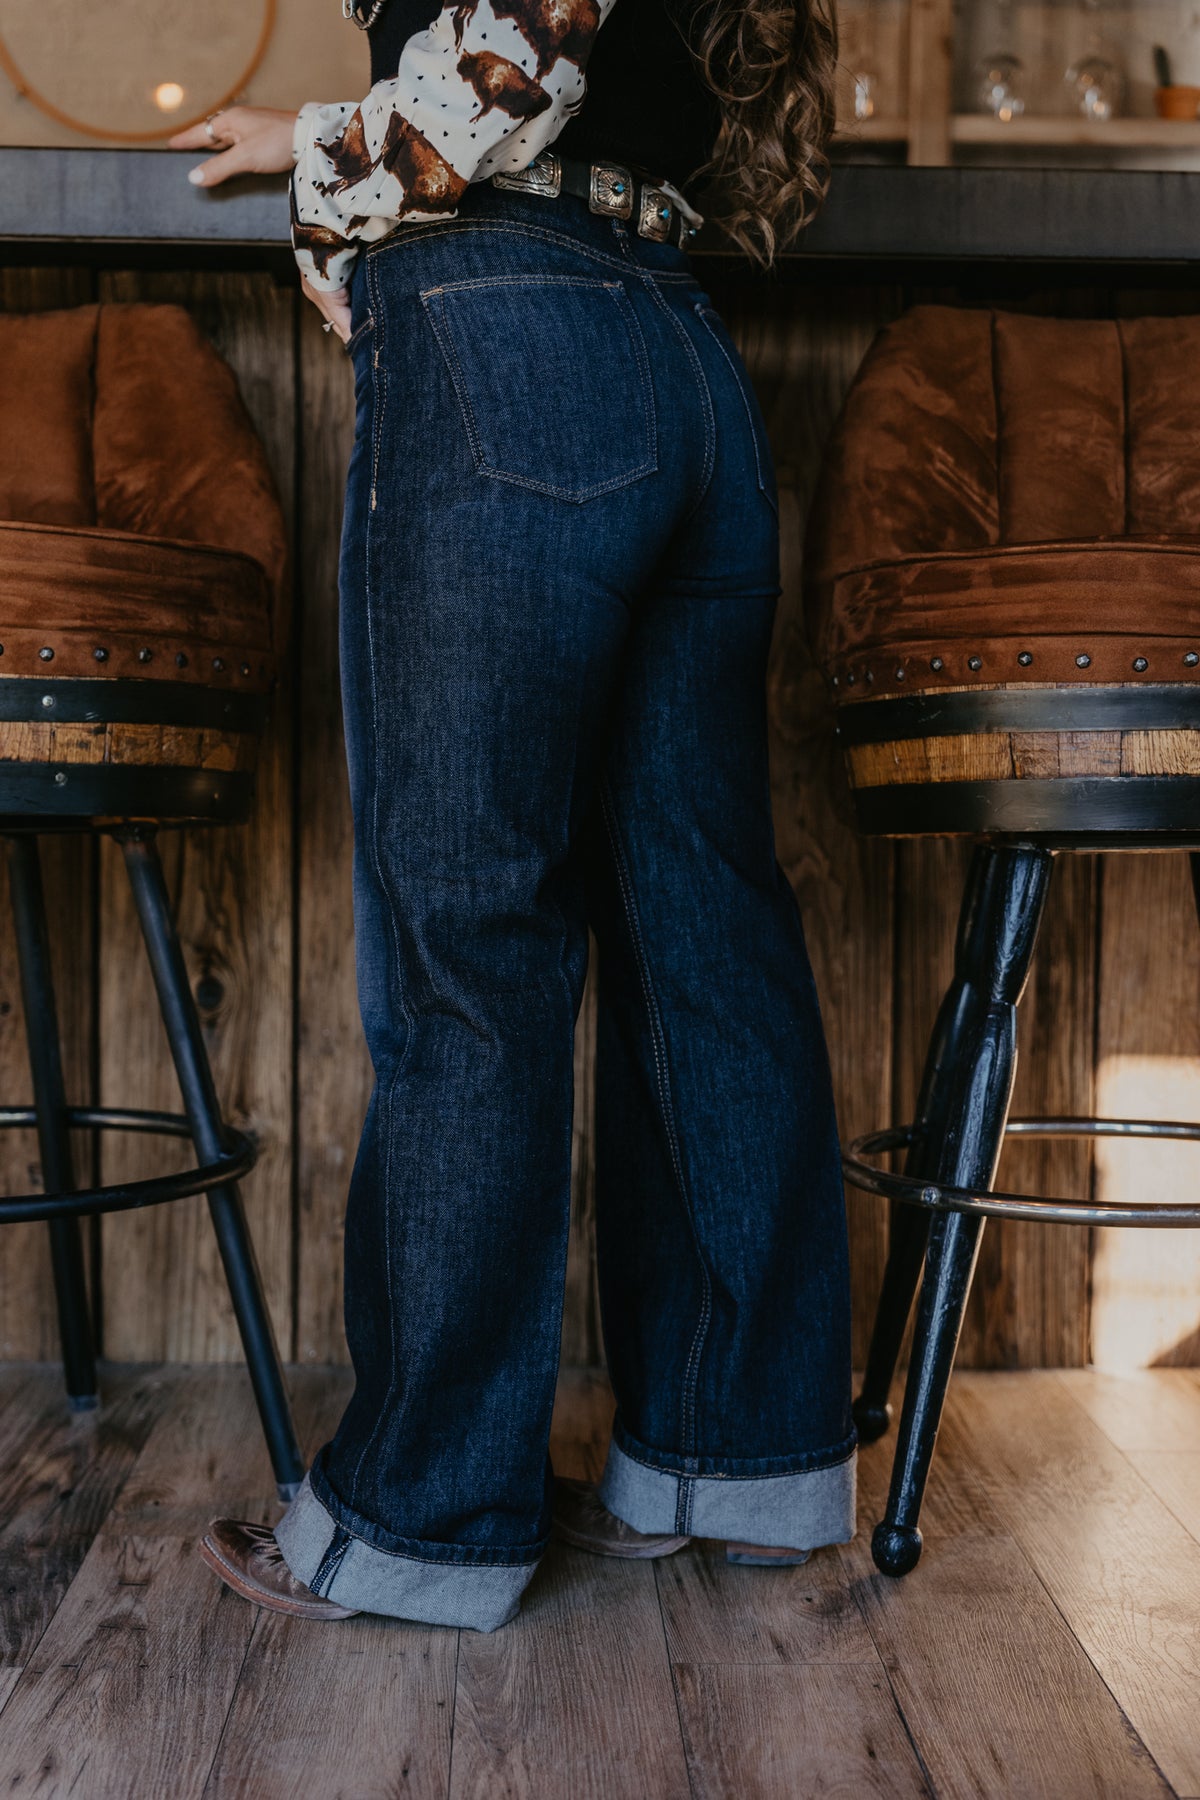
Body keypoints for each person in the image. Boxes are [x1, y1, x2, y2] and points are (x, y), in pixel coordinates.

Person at [176, 0, 855, 1634]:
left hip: (503, 335)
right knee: (703, 932)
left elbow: (520, 49)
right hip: (680, 350)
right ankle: (735, 1456)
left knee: (470, 946)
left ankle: (422, 1516)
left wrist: (339, 177)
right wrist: (347, 131)